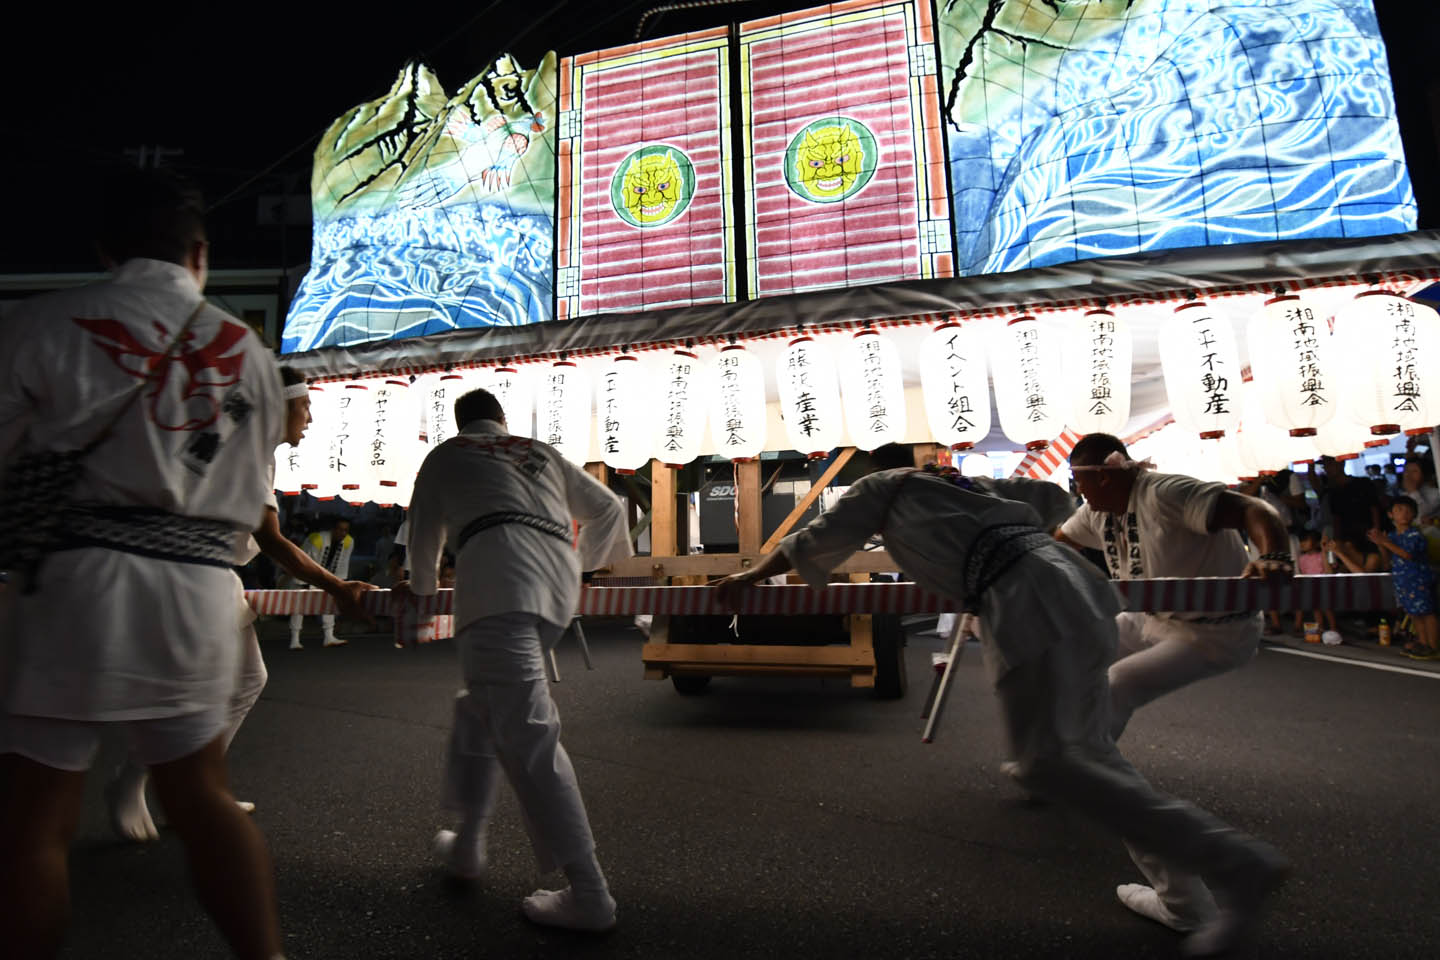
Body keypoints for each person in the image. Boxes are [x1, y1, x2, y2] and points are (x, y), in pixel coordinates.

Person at [713, 448, 1288, 958]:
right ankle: (1188, 898)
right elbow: (1045, 500)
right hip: (1074, 586)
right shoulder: (961, 484)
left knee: (1046, 762)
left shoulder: (878, 487)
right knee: (1084, 755)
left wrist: (750, 574)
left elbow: (813, 540)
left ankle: (1235, 864)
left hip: (1027, 598)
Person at [0, 170, 286, 959]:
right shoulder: (247, 352)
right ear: (199, 254)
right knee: (201, 798)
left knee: (37, 814)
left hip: (74, 580)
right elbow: (248, 493)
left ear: (105, 249)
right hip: (197, 588)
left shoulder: (44, 322)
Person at [106, 366, 376, 842]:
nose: (310, 417)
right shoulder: (246, 449)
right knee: (184, 694)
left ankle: (193, 788)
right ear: (279, 406)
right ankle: (139, 785)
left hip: (194, 571)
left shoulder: (231, 436)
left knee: (246, 680)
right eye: (305, 405)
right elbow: (270, 539)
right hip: (189, 575)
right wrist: (338, 588)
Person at [398, 388, 631, 931]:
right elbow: (608, 506)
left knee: (528, 734)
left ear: (459, 425)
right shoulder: (537, 450)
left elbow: (425, 538)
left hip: (500, 583)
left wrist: (422, 595)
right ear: (501, 422)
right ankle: (468, 844)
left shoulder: (445, 456)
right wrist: (584, 568)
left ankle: (591, 894)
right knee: (481, 710)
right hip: (554, 586)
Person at [1053, 433, 1292, 938]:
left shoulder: (1165, 493)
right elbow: (1060, 543)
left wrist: (1275, 555)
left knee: (1114, 686)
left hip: (1213, 632)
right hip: (1150, 618)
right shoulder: (1096, 512)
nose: (1079, 492)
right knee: (1065, 641)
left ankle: (1182, 900)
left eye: (1081, 482)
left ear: (1107, 475)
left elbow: (1249, 508)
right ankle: (1061, 752)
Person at [1369, 496, 1439, 659]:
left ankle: (1433, 646)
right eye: (1399, 510)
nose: (1404, 514)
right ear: (1390, 514)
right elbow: (1387, 562)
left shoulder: (1414, 534)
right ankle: (1423, 643)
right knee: (1414, 613)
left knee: (1427, 613)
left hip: (1419, 579)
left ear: (1414, 514)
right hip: (1403, 580)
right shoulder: (1393, 536)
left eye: (1408, 510)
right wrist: (1380, 544)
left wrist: (1384, 542)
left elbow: (1407, 554)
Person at [288, 517, 354, 649]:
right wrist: (309, 582)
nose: (343, 533)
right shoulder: (317, 539)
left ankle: (329, 636)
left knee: (329, 603)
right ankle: (295, 639)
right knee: (298, 607)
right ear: (333, 529)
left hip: (326, 576)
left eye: (346, 530)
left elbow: (342, 564)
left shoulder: (349, 541)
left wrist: (338, 583)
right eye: (340, 529)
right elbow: (305, 562)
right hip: (303, 576)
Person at [1311, 456, 1382, 572]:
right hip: (1346, 535)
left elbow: (1374, 508)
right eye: (1325, 466)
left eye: (1329, 465)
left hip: (1366, 532)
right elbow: (1336, 518)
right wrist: (1336, 539)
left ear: (1341, 464)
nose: (1327, 469)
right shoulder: (1333, 493)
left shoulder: (1362, 483)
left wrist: (1376, 529)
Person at [1292, 530, 1339, 644]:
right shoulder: (1302, 558)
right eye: (1301, 541)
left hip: (1323, 585)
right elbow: (1303, 573)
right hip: (1310, 586)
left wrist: (1324, 551)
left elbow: (1329, 570)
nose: (1302, 544)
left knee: (1326, 607)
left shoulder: (1321, 556)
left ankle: (1334, 628)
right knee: (1316, 608)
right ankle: (1320, 628)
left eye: (1306, 541)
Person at [1393, 460, 1440, 525]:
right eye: (1406, 471)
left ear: (1425, 475)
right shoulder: (1402, 493)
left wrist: (1412, 491)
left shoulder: (1435, 493)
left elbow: (1421, 515)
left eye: (1414, 471)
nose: (1408, 475)